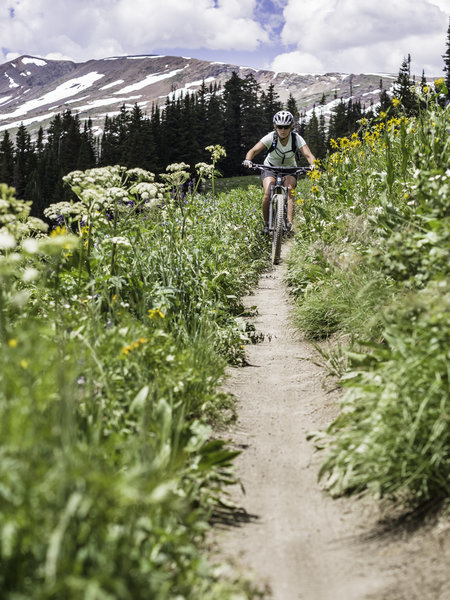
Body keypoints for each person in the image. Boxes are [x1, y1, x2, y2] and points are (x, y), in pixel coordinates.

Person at [243, 110, 316, 234]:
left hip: (290, 168)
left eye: (286, 127)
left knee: (290, 190)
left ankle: (289, 225)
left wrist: (313, 164)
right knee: (268, 192)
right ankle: (266, 225)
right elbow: (253, 151)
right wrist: (248, 160)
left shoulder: (296, 138)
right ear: (275, 127)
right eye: (280, 127)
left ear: (291, 127)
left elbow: (308, 155)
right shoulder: (271, 137)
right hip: (270, 167)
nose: (283, 130)